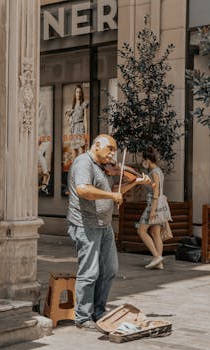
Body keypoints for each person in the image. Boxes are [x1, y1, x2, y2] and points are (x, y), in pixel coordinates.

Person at [67, 134, 150, 331]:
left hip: (104, 226)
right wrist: (111, 195)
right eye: (110, 149)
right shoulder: (83, 163)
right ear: (97, 145)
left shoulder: (102, 167)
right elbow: (83, 189)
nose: (113, 154)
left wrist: (135, 182)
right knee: (89, 272)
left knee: (110, 270)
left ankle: (98, 311)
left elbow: (114, 189)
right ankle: (83, 317)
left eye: (115, 150)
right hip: (86, 225)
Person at [135, 146, 172, 270]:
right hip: (160, 205)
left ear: (147, 160)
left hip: (154, 204)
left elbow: (156, 193)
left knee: (141, 230)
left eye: (143, 159)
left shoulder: (154, 172)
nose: (142, 162)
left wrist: (152, 210)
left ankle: (156, 257)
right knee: (155, 233)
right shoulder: (157, 171)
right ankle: (159, 262)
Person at [69, 85, 88, 159]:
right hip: (73, 131)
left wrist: (86, 135)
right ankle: (74, 170)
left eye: (80, 92)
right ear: (75, 93)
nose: (78, 94)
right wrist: (69, 118)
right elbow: (70, 121)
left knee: (81, 156)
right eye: (77, 92)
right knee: (73, 157)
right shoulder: (73, 106)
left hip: (80, 130)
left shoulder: (83, 104)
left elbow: (85, 120)